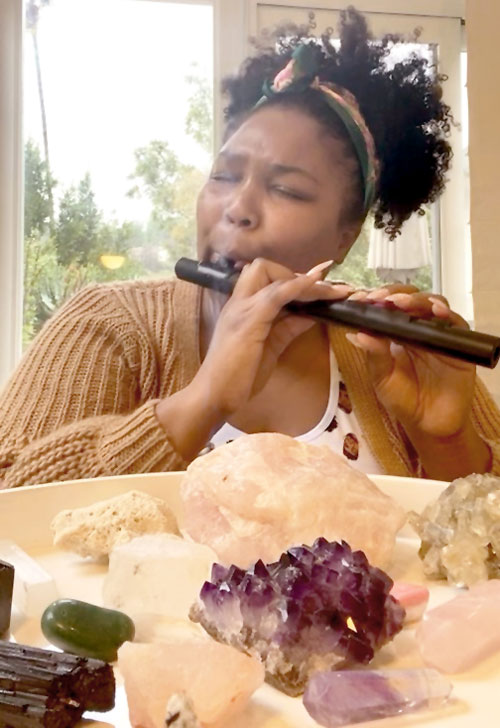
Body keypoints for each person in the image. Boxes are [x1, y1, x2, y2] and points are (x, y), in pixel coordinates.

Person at [1, 7, 499, 489]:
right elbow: (11, 494)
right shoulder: (111, 324)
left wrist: (450, 444)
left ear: (345, 237)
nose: (237, 207)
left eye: (286, 190)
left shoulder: (394, 352)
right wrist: (203, 400)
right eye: (223, 176)